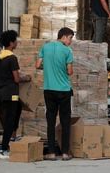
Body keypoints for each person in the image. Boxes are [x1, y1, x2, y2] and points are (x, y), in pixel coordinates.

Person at [36, 27, 74, 161]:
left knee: (50, 121)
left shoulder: (45, 47)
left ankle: (51, 152)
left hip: (49, 90)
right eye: (70, 38)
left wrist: (49, 68)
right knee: (65, 121)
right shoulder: (67, 51)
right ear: (64, 36)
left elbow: (37, 65)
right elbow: (70, 72)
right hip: (63, 90)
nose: (70, 41)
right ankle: (64, 153)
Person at [0, 30, 29, 160]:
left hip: (1, 92)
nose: (17, 42)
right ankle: (3, 149)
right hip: (11, 93)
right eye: (15, 40)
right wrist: (25, 78)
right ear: (11, 43)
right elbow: (16, 79)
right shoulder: (12, 58)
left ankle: (13, 136)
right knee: (10, 119)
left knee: (18, 108)